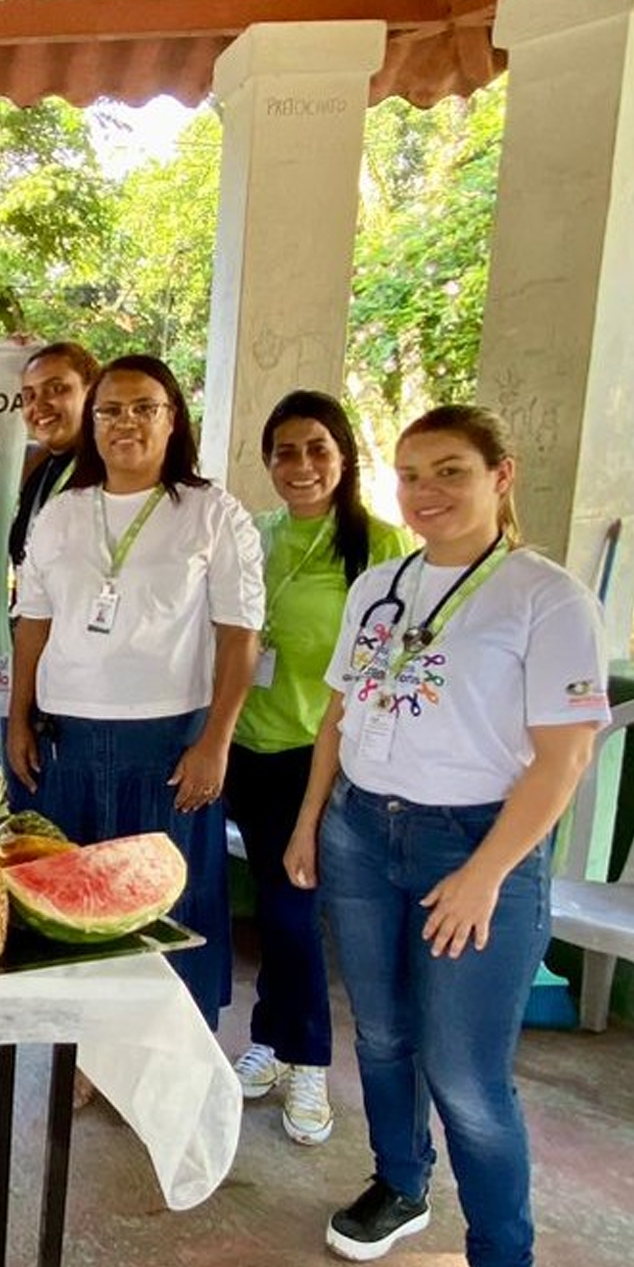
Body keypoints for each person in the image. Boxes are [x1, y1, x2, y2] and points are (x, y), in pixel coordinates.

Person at [283, 405, 607, 1267]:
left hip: (473, 847)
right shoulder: (380, 583)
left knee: (469, 1079)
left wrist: (484, 873)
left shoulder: (545, 599)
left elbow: (563, 760)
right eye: (412, 473)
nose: (425, 492)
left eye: (451, 472)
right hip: (359, 830)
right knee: (379, 1036)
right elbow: (339, 711)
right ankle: (398, 1181)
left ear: (501, 476)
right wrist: (308, 820)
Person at [5, 353, 260, 1031]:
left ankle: (174, 1053)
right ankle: (87, 1052)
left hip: (172, 742)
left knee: (175, 903)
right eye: (110, 410)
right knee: (74, 903)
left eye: (144, 407)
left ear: (172, 419)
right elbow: (33, 624)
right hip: (69, 741)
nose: (126, 422)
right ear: (92, 424)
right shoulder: (61, 515)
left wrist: (216, 744)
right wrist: (17, 720)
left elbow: (240, 638)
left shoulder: (212, 514)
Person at [225, 391, 408, 1148]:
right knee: (273, 906)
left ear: (344, 458)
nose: (300, 467)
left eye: (317, 450)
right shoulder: (252, 534)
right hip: (239, 745)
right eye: (285, 452)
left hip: (316, 756)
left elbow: (393, 668)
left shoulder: (381, 547)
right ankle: (270, 1039)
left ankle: (307, 1063)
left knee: (294, 913)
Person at [0, 341, 98, 813]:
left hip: (82, 689)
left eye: (58, 389)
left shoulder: (113, 476)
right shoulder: (43, 466)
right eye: (30, 395)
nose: (41, 405)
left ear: (93, 393)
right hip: (34, 665)